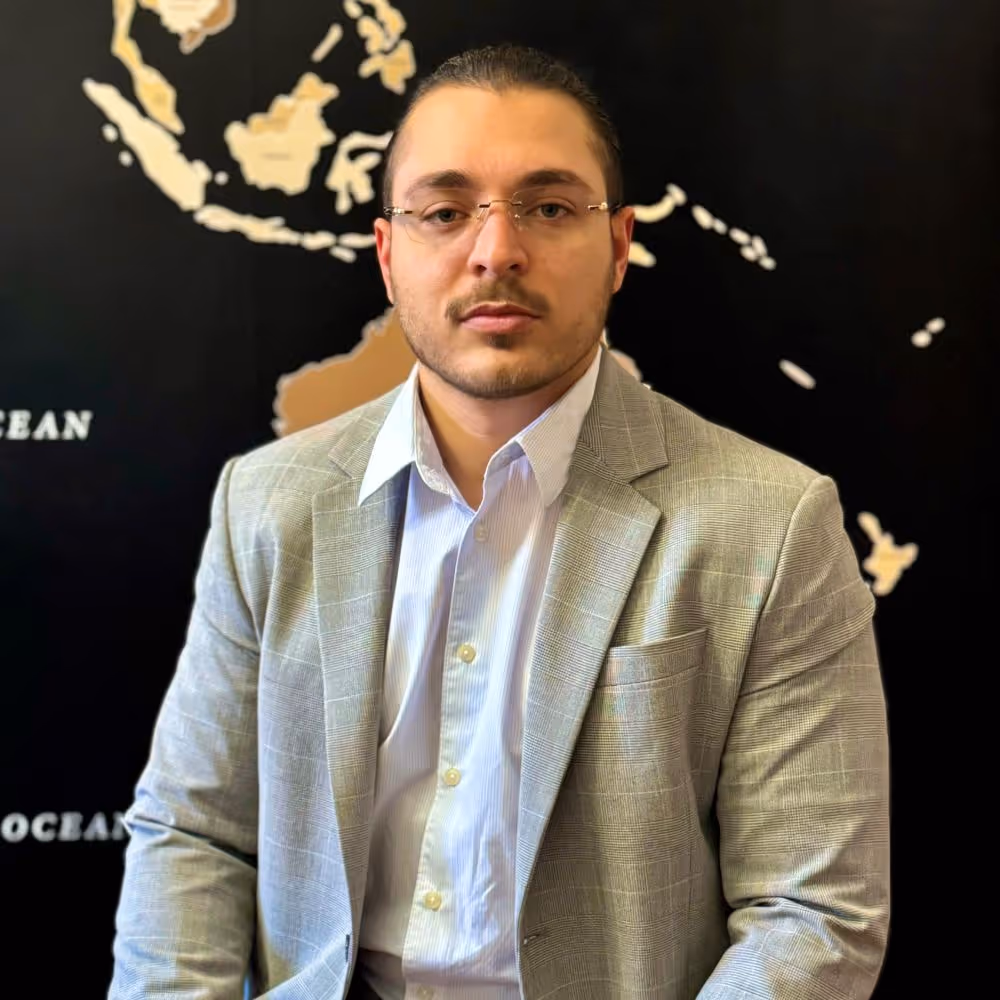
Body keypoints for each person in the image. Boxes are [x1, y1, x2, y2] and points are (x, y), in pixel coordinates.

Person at [108, 43, 890, 1000]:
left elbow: (812, 915)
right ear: (388, 255)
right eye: (445, 212)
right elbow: (196, 834)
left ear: (619, 246)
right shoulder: (269, 502)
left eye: (549, 207)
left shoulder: (771, 525)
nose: (496, 250)